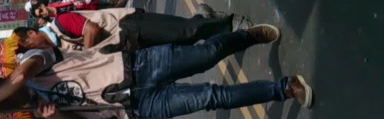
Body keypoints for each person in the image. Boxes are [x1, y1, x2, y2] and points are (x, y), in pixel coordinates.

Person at [0, 25, 312, 119]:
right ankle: (284, 88)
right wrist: (60, 116)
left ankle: (246, 36)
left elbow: (20, 76)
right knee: (214, 97)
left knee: (207, 54)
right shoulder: (41, 113)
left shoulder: (32, 65)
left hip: (140, 66)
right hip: (140, 104)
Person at [34, 7, 247, 52]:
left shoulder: (61, 22)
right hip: (129, 44)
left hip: (129, 25)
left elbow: (92, 30)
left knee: (184, 32)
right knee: (183, 40)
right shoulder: (59, 49)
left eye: (26, 45)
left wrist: (88, 56)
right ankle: (203, 18)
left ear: (31, 33)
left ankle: (230, 24)